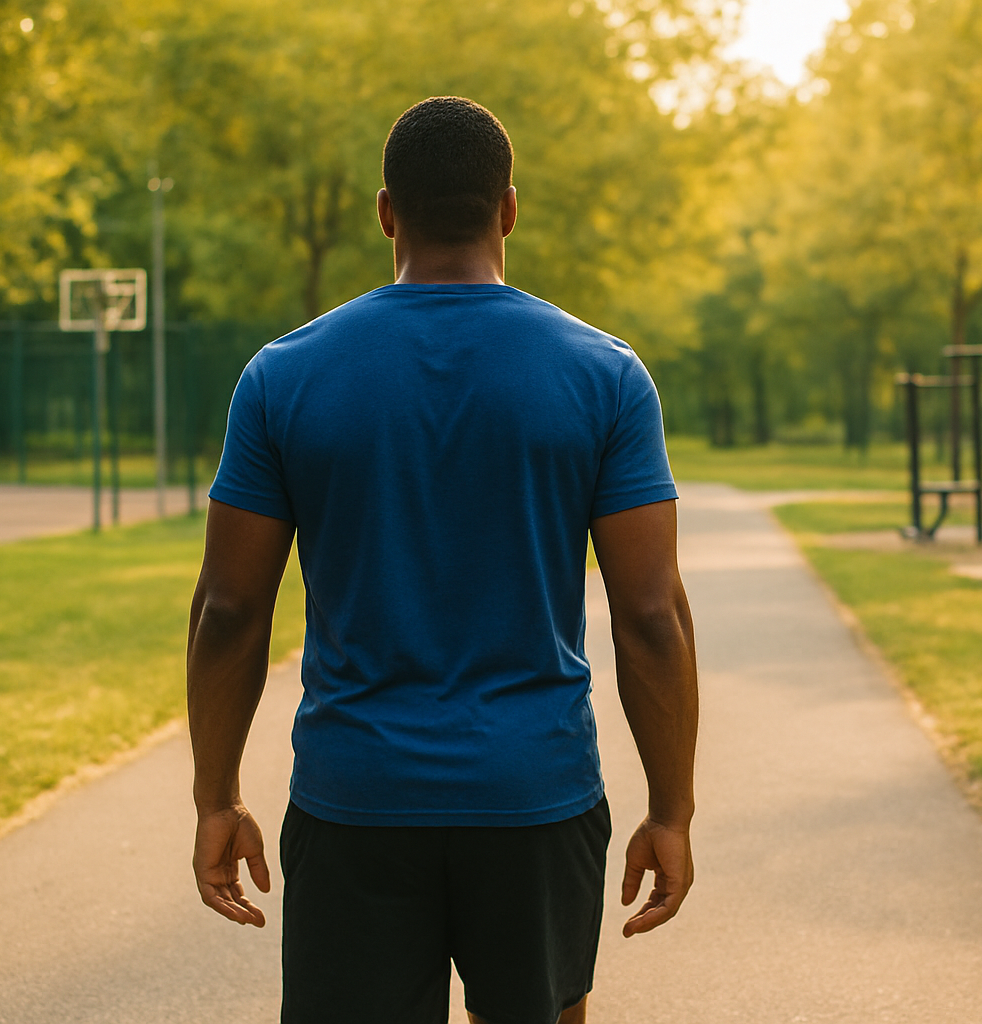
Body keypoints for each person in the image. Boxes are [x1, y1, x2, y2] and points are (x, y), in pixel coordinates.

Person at [185, 96, 698, 1024]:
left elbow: (228, 608)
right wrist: (672, 812)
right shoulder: (606, 375)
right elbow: (652, 615)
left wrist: (214, 795)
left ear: (387, 211)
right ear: (509, 208)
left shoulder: (282, 376)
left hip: (354, 801)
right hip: (536, 796)